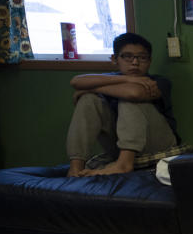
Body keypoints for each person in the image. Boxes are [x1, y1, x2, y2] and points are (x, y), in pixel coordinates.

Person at [66, 32, 178, 177]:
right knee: (88, 99)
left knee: (128, 98)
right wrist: (129, 79)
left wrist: (92, 87)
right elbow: (75, 81)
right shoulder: (113, 79)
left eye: (142, 58)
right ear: (115, 59)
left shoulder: (157, 82)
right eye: (127, 56)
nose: (135, 62)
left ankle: (123, 164)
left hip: (158, 143)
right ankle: (75, 167)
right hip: (118, 144)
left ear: (149, 61)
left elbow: (134, 93)